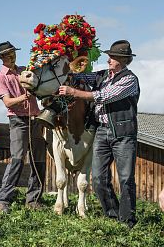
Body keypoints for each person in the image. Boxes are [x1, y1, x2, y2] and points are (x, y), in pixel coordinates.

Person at [58, 40, 140, 228]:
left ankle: (128, 221)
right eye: (109, 56)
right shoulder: (103, 75)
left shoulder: (129, 79)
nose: (108, 59)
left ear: (123, 60)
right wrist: (70, 64)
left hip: (123, 134)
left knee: (126, 178)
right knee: (98, 178)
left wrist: (73, 92)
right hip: (102, 132)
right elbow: (82, 77)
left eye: (113, 57)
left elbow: (102, 96)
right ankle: (112, 215)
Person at [0, 41, 46, 213]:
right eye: (8, 54)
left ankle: (33, 200)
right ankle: (3, 201)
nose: (12, 55)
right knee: (17, 159)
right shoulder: (0, 78)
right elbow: (8, 102)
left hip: (35, 119)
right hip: (17, 120)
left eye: (13, 52)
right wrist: (25, 97)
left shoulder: (24, 71)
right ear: (1, 57)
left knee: (39, 160)